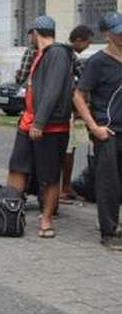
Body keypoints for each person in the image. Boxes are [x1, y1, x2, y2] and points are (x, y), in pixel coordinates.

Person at [6, 15, 74, 239]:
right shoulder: (41, 54)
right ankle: (9, 211)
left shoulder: (57, 54)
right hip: (29, 122)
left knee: (50, 176)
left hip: (49, 127)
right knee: (17, 166)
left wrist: (40, 122)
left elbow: (53, 90)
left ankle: (46, 219)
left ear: (35, 33)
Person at [73, 13, 122, 249]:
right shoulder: (97, 62)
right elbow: (79, 96)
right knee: (109, 183)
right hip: (108, 131)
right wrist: (94, 127)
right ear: (106, 34)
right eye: (117, 31)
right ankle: (109, 232)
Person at [60, 25, 94, 200]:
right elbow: (76, 86)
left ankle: (63, 187)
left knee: (69, 149)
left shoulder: (67, 55)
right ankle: (63, 188)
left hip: (66, 112)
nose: (88, 46)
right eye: (87, 42)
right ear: (79, 40)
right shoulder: (67, 56)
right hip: (66, 113)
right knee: (67, 151)